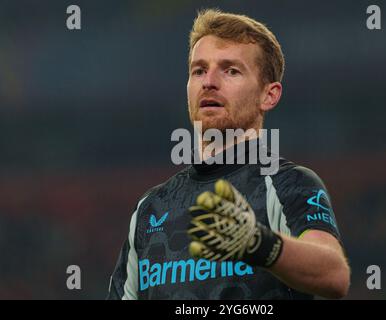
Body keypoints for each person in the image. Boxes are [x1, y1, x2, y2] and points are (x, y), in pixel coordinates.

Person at [107, 8, 350, 300]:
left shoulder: (289, 184)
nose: (209, 82)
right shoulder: (150, 209)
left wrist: (258, 244)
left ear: (268, 95)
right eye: (199, 70)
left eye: (231, 70)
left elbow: (333, 274)